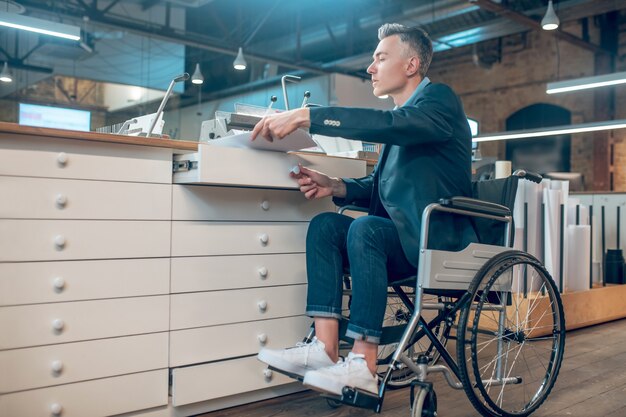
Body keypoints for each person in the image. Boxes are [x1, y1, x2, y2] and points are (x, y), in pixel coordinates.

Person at [253, 23, 473, 396]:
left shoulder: (438, 101)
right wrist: (335, 186)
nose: (370, 68)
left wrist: (309, 115)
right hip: (400, 242)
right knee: (325, 225)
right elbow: (382, 187)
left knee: (365, 228)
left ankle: (363, 365)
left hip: (434, 242)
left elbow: (389, 125)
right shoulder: (404, 119)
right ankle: (323, 349)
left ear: (411, 65)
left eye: (380, 58)